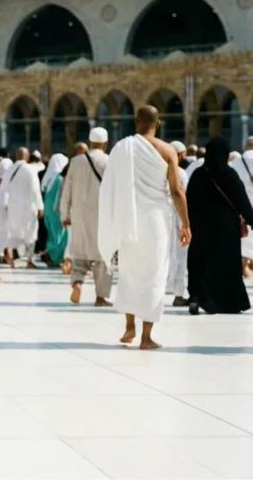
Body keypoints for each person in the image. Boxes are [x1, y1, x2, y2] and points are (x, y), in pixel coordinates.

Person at [99, 106, 190, 350]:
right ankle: (146, 337)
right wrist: (186, 224)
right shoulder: (168, 150)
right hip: (156, 221)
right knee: (154, 275)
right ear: (158, 124)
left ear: (136, 121)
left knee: (129, 272)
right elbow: (177, 191)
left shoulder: (122, 148)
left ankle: (129, 326)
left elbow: (111, 186)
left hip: (129, 219)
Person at [186, 136, 253, 315]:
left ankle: (198, 297)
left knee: (200, 263)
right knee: (226, 264)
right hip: (226, 230)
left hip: (201, 228)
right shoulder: (228, 174)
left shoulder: (198, 174)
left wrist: (187, 223)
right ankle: (227, 302)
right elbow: (242, 201)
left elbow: (188, 200)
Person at [62, 128, 111, 305]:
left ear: (90, 142)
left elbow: (66, 190)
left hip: (79, 215)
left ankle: (77, 283)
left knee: (79, 253)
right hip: (103, 215)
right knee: (103, 257)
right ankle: (100, 297)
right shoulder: (109, 161)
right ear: (105, 143)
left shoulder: (75, 161)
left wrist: (64, 214)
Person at [3, 147, 44, 269]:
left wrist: (6, 203)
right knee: (30, 232)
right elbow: (35, 189)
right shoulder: (29, 169)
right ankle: (28, 261)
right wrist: (40, 206)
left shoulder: (10, 169)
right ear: (26, 157)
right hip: (28, 205)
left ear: (16, 156)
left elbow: (5, 188)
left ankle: (10, 252)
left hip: (13, 205)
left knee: (15, 231)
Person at [168, 141, 192, 305]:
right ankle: (178, 295)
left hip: (159, 218)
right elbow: (182, 195)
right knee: (180, 256)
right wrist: (186, 223)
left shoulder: (155, 170)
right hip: (176, 218)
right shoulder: (180, 173)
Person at [229, 137, 253, 278]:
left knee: (244, 235)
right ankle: (246, 267)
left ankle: (243, 266)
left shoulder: (235, 163)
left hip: (240, 205)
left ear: (245, 146)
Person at [41, 153, 69, 266]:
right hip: (57, 212)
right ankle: (55, 258)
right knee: (60, 236)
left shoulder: (48, 179)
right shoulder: (59, 179)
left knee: (53, 235)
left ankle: (52, 256)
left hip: (49, 212)